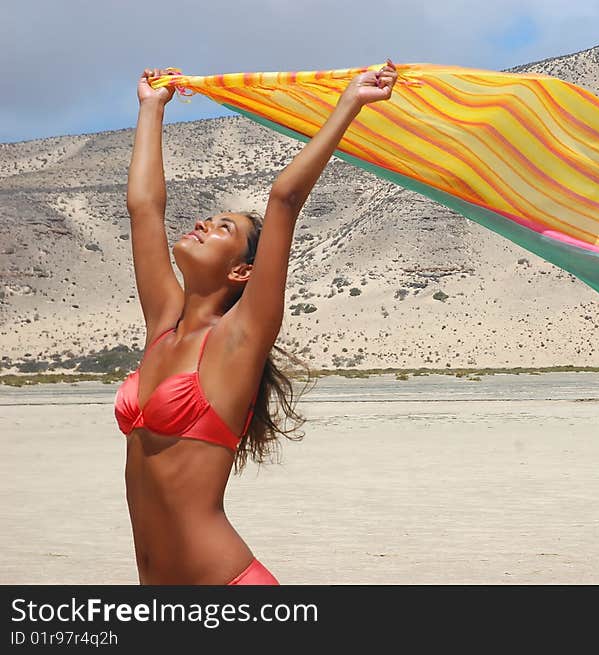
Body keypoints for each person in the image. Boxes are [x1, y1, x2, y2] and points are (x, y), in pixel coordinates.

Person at [115, 60, 399, 584]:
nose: (202, 223)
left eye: (223, 227)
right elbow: (144, 210)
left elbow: (284, 198)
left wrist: (350, 103)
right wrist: (151, 109)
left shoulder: (239, 339)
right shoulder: (164, 324)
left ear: (244, 269)